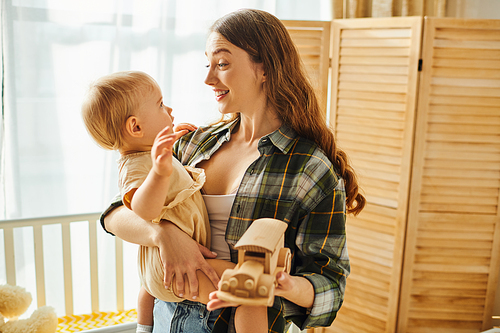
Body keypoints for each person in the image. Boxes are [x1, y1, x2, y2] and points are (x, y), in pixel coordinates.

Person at [101, 8, 365, 333]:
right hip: (167, 319)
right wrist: (164, 234)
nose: (209, 78)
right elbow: (117, 212)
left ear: (265, 68)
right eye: (207, 64)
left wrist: (283, 284)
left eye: (222, 64)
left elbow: (330, 283)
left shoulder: (309, 168)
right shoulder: (194, 144)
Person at [81, 71, 267, 333]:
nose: (168, 109)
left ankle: (144, 328)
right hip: (174, 266)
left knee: (148, 289)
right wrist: (159, 171)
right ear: (136, 127)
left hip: (165, 265)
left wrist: (169, 150)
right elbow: (144, 210)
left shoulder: (151, 154)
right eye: (160, 104)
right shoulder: (137, 166)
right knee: (253, 291)